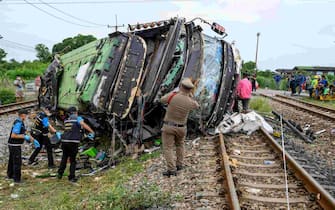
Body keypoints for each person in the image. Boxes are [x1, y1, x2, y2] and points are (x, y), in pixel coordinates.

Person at [160, 78, 199, 177]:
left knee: (168, 148)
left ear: (181, 87)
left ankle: (171, 169)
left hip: (169, 127)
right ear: (190, 90)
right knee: (180, 145)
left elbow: (161, 100)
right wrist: (189, 95)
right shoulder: (190, 102)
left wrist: (174, 91)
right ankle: (179, 165)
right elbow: (197, 105)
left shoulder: (173, 96)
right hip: (182, 128)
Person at [57, 106, 94, 182]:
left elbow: (70, 130)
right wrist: (91, 131)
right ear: (75, 112)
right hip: (72, 142)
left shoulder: (66, 120)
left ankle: (59, 174)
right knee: (73, 160)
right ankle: (71, 177)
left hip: (64, 141)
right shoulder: (77, 118)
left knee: (64, 158)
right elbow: (82, 124)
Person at [7, 109, 40, 183]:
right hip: (14, 145)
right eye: (26, 115)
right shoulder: (18, 123)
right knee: (17, 162)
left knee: (12, 160)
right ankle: (17, 180)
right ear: (23, 115)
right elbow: (13, 135)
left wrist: (33, 140)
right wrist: (25, 137)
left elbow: (25, 132)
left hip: (13, 144)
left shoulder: (21, 122)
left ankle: (10, 175)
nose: (27, 116)